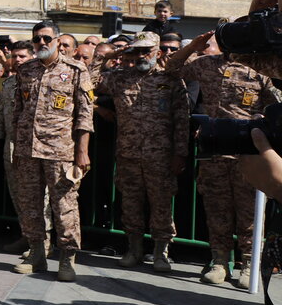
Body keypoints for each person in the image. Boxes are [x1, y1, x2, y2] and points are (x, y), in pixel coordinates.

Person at [166, 31, 280, 288]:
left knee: (249, 212)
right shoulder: (207, 64)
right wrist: (194, 46)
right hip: (215, 149)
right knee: (217, 209)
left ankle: (248, 264)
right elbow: (172, 68)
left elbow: (276, 104)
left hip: (248, 151)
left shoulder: (260, 68)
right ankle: (219, 261)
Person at [93, 33, 189, 272]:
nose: (141, 56)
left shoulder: (171, 80)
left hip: (161, 156)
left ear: (157, 51)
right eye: (136, 51)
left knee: (161, 205)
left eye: (146, 51)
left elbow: (182, 120)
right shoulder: (120, 78)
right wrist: (111, 55)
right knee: (131, 204)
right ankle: (133, 249)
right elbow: (87, 79)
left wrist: (180, 153)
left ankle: (161, 252)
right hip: (129, 155)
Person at [10, 21, 93, 282]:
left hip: (61, 151)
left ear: (58, 40)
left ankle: (67, 258)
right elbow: (17, 112)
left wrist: (82, 152)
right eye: (37, 39)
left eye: (47, 38)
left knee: (64, 205)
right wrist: (16, 146)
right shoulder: (26, 70)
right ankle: (36, 254)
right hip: (27, 150)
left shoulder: (76, 70)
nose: (42, 43)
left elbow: (85, 115)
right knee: (30, 205)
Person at [0, 41, 40, 253]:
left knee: (37, 197)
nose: (18, 60)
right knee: (17, 194)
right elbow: (1, 113)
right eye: (15, 56)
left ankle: (41, 243)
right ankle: (26, 235)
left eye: (23, 56)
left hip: (34, 146)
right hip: (11, 145)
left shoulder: (39, 81)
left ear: (32, 58)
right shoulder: (8, 84)